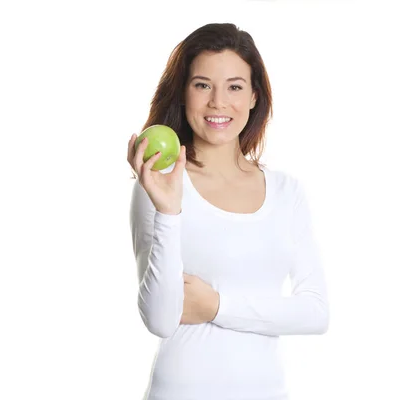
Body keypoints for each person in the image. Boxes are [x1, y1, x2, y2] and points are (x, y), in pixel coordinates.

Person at [126, 22, 330, 400]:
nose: (218, 102)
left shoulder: (287, 192)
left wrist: (217, 306)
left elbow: (316, 313)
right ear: (183, 93)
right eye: (202, 85)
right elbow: (159, 318)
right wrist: (169, 211)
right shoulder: (157, 184)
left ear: (254, 97)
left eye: (234, 86)